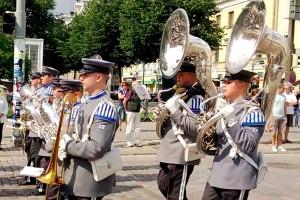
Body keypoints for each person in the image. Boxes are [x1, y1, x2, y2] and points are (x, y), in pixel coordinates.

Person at [58, 58, 118, 200]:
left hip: (88, 181)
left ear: (98, 77)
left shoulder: (104, 106)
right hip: (75, 177)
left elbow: (96, 148)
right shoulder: (88, 101)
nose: (81, 78)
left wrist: (68, 146)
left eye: (85, 75)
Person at [202, 70, 266, 200]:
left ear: (242, 85)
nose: (223, 85)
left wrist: (231, 120)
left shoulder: (252, 112)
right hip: (217, 175)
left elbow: (248, 145)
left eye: (229, 82)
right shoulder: (225, 109)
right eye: (223, 82)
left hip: (237, 177)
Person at [156, 61, 206, 200]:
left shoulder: (196, 98)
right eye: (177, 75)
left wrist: (174, 111)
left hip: (181, 152)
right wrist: (161, 115)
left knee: (175, 194)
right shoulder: (178, 95)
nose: (178, 77)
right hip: (168, 151)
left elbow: (195, 128)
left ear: (193, 77)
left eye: (182, 75)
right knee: (163, 186)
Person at [123, 81, 142, 147]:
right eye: (138, 85)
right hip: (130, 111)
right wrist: (126, 110)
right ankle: (129, 141)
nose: (139, 87)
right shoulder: (130, 92)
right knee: (129, 127)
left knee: (137, 127)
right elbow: (124, 101)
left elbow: (142, 100)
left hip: (137, 111)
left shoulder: (139, 93)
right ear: (133, 86)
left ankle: (137, 141)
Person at [269, 83, 287, 153]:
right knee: (273, 132)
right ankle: (273, 146)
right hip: (274, 115)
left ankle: (279, 145)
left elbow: (285, 105)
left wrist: (285, 115)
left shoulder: (284, 96)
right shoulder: (273, 96)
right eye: (283, 88)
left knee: (280, 132)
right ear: (279, 88)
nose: (284, 90)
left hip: (282, 115)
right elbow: (270, 106)